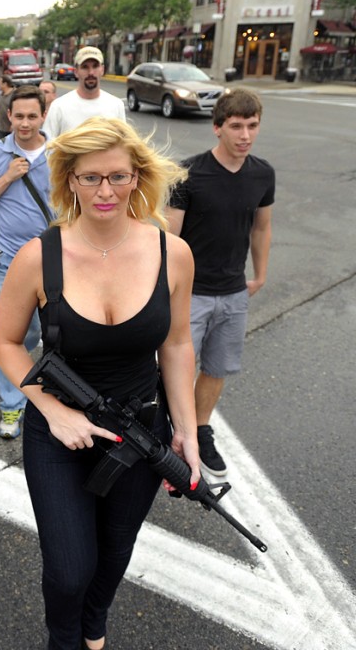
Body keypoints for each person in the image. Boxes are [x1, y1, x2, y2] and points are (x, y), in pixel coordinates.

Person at [0, 117, 199, 650]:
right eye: (90, 178)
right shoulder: (39, 257)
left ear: (137, 177)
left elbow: (177, 345)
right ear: (70, 180)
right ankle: (64, 639)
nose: (105, 191)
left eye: (117, 176)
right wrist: (53, 411)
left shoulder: (172, 253)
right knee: (68, 570)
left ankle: (93, 627)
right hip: (59, 433)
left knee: (114, 552)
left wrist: (187, 431)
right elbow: (7, 342)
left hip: (140, 432)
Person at [166, 88, 274, 476]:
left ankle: (200, 429)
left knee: (216, 368)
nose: (245, 135)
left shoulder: (262, 173)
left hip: (233, 292)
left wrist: (259, 274)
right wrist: (166, 288)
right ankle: (168, 434)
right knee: (175, 369)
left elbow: (261, 227)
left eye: (252, 126)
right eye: (236, 126)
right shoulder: (189, 174)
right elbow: (169, 238)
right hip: (190, 294)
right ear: (217, 128)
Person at [0, 86, 52, 439]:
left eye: (32, 116)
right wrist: (7, 177)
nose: (25, 123)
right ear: (8, 117)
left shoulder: (60, 154)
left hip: (53, 263)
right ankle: (12, 404)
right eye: (18, 116)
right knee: (12, 336)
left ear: (44, 116)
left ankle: (52, 397)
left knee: (54, 335)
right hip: (7, 262)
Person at [43, 47, 126, 138]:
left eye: (95, 66)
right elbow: (48, 144)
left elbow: (124, 142)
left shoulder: (116, 105)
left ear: (102, 70)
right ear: (76, 71)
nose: (91, 72)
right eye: (85, 67)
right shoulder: (59, 107)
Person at [0, 75, 15, 139]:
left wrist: (13, 124)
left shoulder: (15, 95)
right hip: (0, 128)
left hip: (11, 128)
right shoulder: (0, 96)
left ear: (5, 84)